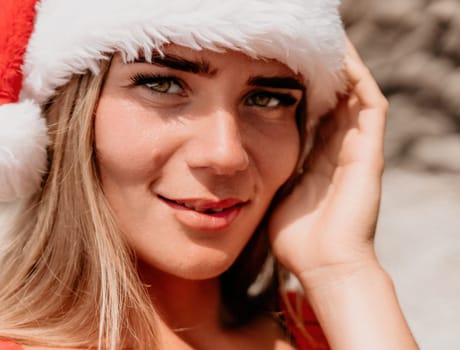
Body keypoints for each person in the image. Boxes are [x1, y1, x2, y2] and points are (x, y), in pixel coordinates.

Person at [0, 0, 419, 349]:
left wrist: (341, 270)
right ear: (68, 116)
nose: (226, 154)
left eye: (266, 98)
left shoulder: (334, 328)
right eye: (162, 85)